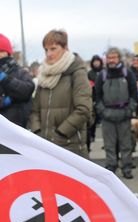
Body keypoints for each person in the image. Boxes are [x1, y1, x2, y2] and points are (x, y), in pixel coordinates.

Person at [28, 29, 92, 157]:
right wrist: (37, 131)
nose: (49, 54)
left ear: (65, 48)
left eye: (53, 49)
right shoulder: (44, 75)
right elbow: (35, 110)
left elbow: (84, 109)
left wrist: (60, 133)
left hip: (70, 146)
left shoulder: (77, 72)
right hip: (45, 146)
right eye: (46, 50)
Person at [95, 47, 138, 178]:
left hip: (124, 114)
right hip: (108, 115)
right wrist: (102, 111)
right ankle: (111, 167)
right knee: (109, 145)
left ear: (119, 58)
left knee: (126, 144)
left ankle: (126, 167)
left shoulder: (128, 73)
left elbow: (134, 94)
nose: (111, 60)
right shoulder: (101, 75)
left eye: (114, 57)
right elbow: (97, 96)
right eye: (109, 57)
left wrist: (130, 110)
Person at [87, 55, 104, 152]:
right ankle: (92, 135)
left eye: (98, 61)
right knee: (92, 119)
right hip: (92, 97)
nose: (96, 63)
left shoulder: (104, 72)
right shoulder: (90, 73)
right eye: (95, 61)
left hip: (102, 98)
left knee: (102, 120)